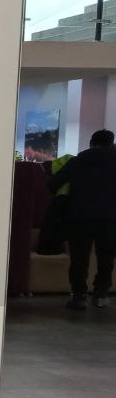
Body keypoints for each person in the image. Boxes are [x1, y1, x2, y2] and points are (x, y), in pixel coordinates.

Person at [49, 128, 116, 309]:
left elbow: (53, 184)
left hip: (79, 217)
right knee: (106, 259)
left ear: (91, 143)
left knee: (79, 259)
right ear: (111, 143)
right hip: (111, 218)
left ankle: (79, 296)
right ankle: (101, 294)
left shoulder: (78, 160)